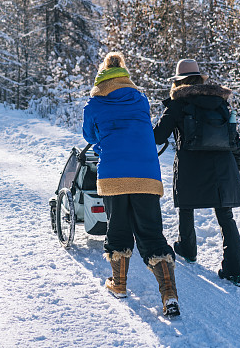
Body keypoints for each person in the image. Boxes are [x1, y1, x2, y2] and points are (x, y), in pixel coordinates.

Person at [82, 52, 180, 317]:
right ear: (124, 74)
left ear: (102, 74)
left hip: (114, 172)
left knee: (118, 229)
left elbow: (89, 135)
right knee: (151, 233)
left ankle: (120, 284)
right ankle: (169, 294)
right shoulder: (140, 98)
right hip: (146, 173)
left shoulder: (95, 102)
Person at [153, 58, 240, 286]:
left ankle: (188, 248)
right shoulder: (221, 103)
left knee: (187, 207)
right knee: (226, 216)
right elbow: (234, 138)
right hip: (223, 166)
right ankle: (236, 270)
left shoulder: (177, 104)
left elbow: (157, 137)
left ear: (178, 82)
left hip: (191, 165)